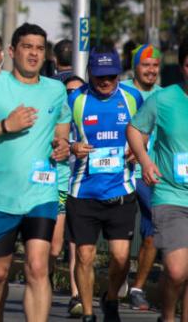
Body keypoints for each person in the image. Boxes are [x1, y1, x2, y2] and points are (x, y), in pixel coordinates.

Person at [0, 24, 71, 322]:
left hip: (41, 194)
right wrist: (5, 126)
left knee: (37, 267)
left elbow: (61, 130)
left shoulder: (55, 90)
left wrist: (62, 146)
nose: (33, 53)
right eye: (27, 47)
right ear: (12, 52)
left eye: (39, 47)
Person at [67, 49, 142, 322]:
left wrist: (138, 150)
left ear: (119, 74)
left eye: (111, 76)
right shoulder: (76, 100)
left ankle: (111, 298)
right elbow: (58, 137)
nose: (105, 82)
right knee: (85, 256)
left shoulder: (132, 98)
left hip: (120, 191)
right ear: (90, 74)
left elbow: (145, 133)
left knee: (121, 259)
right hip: (83, 192)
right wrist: (72, 146)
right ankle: (88, 313)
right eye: (100, 76)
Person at [128, 36, 188, 322]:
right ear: (182, 67)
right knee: (176, 270)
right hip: (170, 194)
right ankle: (167, 316)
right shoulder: (164, 99)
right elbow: (134, 130)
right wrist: (146, 160)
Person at [121, 44, 162, 310]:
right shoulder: (119, 89)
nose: (151, 70)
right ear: (135, 66)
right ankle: (118, 281)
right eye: (145, 64)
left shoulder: (166, 95)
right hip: (119, 173)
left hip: (151, 174)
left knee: (154, 231)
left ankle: (137, 288)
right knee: (119, 237)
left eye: (155, 65)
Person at [62, 75, 88, 318]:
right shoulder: (60, 119)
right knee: (73, 246)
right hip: (66, 186)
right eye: (68, 91)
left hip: (91, 186)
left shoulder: (91, 116)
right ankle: (75, 295)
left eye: (77, 91)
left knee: (84, 248)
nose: (73, 95)